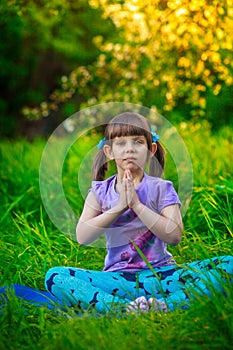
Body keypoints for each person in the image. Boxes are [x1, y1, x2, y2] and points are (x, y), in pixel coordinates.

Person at [43, 112, 232, 313]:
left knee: (229, 264)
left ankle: (165, 305)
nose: (130, 149)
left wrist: (137, 205)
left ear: (151, 149)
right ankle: (123, 309)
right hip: (117, 280)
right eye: (121, 143)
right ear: (109, 151)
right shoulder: (99, 192)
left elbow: (174, 236)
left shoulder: (162, 188)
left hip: (162, 276)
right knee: (55, 276)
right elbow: (82, 236)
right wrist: (119, 207)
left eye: (138, 142)